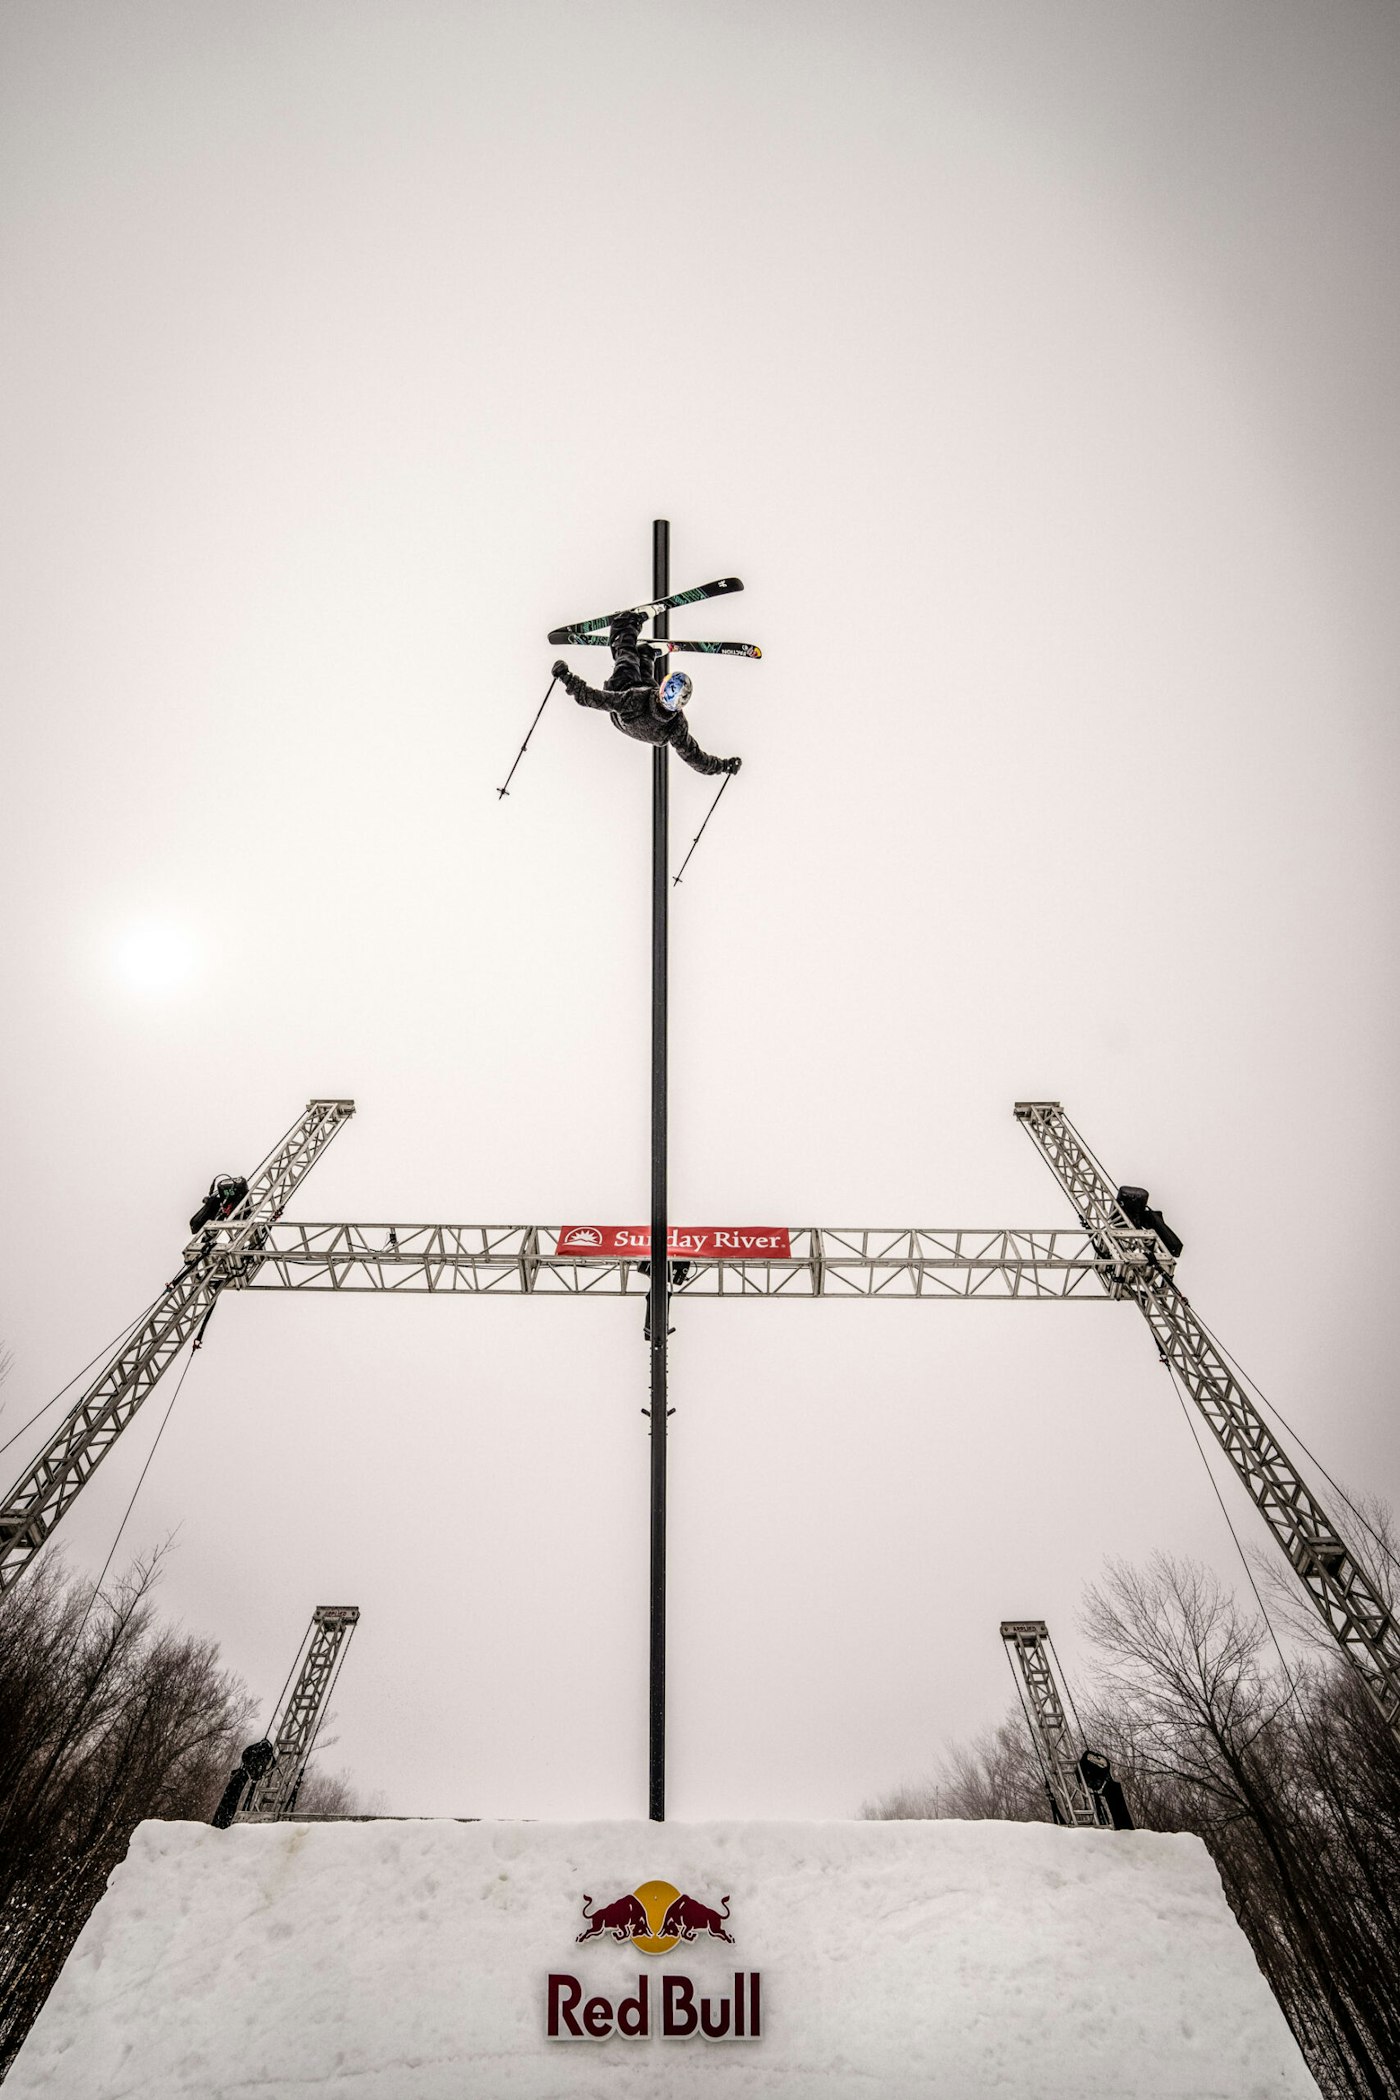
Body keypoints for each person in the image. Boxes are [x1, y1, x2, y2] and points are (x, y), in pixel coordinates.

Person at [552, 612, 741, 777]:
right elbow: (695, 758)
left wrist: (567, 678)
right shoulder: (677, 725)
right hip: (643, 712)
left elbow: (593, 698)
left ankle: (626, 625)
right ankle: (646, 654)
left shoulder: (634, 701)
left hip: (623, 698)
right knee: (645, 677)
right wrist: (724, 766)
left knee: (627, 657)